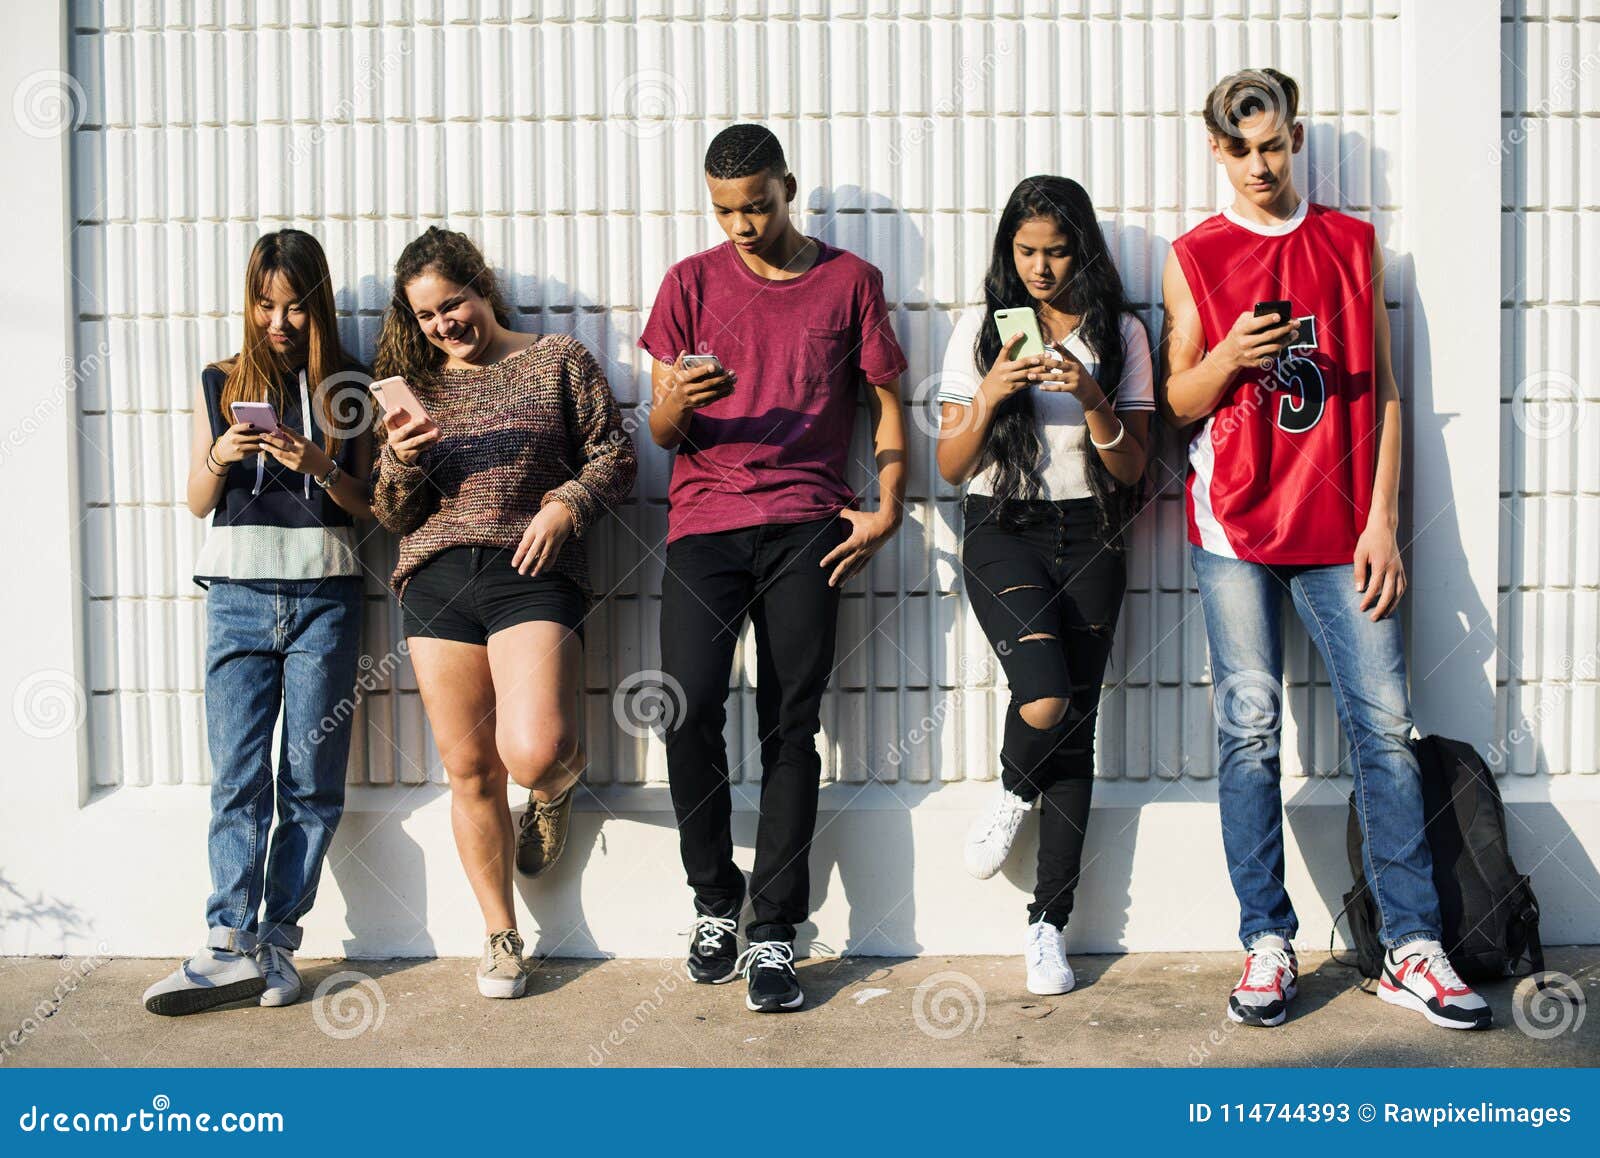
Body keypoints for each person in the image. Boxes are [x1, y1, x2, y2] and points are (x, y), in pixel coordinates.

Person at [1159, 68, 1490, 1030]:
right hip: (1233, 528)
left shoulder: (1351, 243)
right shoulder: (1196, 256)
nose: (1259, 165)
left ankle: (1410, 945)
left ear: (1294, 138)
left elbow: (1384, 391)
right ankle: (1267, 939)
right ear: (1216, 151)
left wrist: (1382, 516)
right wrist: (1227, 362)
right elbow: (1174, 403)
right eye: (1240, 149)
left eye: (1273, 144)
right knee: (1249, 735)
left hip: (1342, 527)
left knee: (1384, 730)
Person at [639, 124, 908, 1013]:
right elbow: (661, 433)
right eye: (725, 211)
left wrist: (889, 502)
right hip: (705, 523)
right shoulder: (690, 283)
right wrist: (678, 399)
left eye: (757, 205)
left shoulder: (850, 282)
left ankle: (775, 933)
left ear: (787, 188)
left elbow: (885, 404)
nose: (743, 226)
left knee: (792, 725)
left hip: (805, 524)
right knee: (688, 708)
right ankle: (715, 901)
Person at [370, 226, 636, 999]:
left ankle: (552, 791)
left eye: (451, 304)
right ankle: (501, 935)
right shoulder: (412, 385)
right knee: (468, 769)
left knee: (535, 750)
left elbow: (614, 455)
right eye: (425, 317)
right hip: (437, 577)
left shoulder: (557, 359)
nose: (443, 326)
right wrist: (403, 456)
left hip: (532, 570)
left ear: (479, 285)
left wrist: (566, 504)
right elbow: (393, 512)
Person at [144, 229, 373, 1015]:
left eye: (296, 306)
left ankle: (276, 944)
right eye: (265, 303)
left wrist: (321, 466)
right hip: (237, 595)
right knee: (238, 777)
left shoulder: (352, 387)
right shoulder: (220, 379)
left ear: (319, 307)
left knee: (310, 782)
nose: (279, 321)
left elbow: (371, 509)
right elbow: (198, 502)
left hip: (326, 597)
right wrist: (221, 452)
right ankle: (226, 942)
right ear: (250, 303)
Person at [936, 176, 1152, 996]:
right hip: (1004, 526)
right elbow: (951, 465)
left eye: (1057, 252)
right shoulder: (978, 330)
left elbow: (1134, 467)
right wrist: (993, 392)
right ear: (1008, 250)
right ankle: (1012, 786)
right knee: (1047, 699)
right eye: (1026, 251)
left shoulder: (1121, 332)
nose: (1040, 268)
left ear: (1082, 250)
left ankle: (1047, 927)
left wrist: (1091, 394)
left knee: (1078, 730)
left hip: (1092, 529)